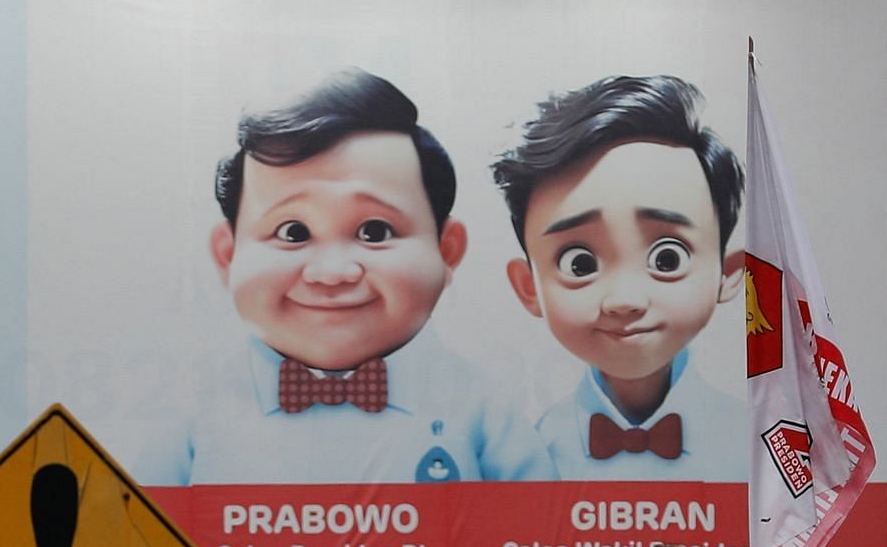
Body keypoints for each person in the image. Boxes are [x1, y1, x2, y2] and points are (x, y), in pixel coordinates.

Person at [130, 69, 533, 487]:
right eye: (293, 233)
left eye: (374, 232)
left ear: (447, 250)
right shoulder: (196, 416)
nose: (332, 273)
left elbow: (541, 537)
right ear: (228, 255)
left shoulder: (481, 410)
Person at [490, 75, 749, 479]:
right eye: (579, 264)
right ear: (529, 286)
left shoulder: (757, 446)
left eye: (667, 259)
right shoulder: (530, 456)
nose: (624, 299)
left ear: (728, 274)